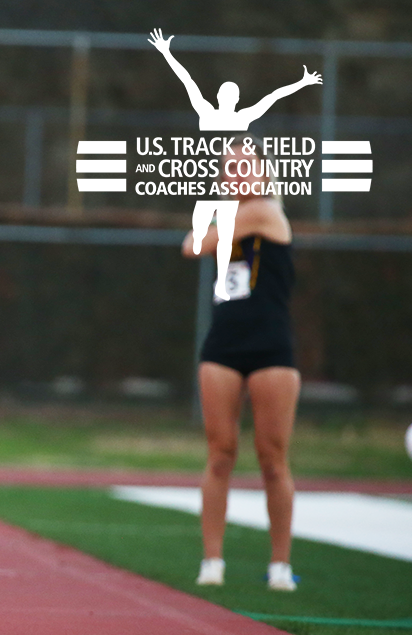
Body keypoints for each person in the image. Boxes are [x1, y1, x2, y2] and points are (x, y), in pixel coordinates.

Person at [182, 146, 299, 591]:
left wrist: (215, 223)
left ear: (266, 175)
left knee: (273, 459)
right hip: (224, 343)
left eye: (246, 167)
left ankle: (280, 565)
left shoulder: (265, 211)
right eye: (230, 169)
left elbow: (200, 243)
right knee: (220, 453)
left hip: (271, 345)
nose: (237, 175)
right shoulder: (230, 216)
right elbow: (192, 246)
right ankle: (212, 561)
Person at [149, 28, 322, 132]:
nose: (228, 96)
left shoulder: (238, 117)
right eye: (226, 93)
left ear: (237, 98)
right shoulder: (209, 112)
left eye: (231, 93)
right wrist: (166, 53)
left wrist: (303, 82)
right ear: (218, 96)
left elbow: (274, 95)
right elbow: (187, 79)